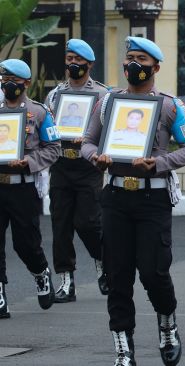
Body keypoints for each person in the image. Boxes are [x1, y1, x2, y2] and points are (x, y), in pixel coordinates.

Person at [82, 36, 185, 366]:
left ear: (156, 67)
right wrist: (97, 158)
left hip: (153, 197)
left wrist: (159, 163)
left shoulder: (170, 105)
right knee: (118, 277)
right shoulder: (108, 103)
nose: (133, 65)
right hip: (116, 196)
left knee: (153, 272)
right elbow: (88, 143)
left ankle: (167, 326)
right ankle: (123, 347)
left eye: (141, 60)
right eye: (130, 58)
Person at [45, 39, 110, 303]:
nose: (73, 63)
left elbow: (109, 131)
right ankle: (66, 281)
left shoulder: (103, 96)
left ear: (90, 64)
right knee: (60, 224)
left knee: (88, 221)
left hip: (88, 166)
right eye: (70, 58)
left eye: (78, 60)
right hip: (61, 164)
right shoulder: (55, 95)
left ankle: (103, 261)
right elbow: (47, 130)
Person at [0, 59, 61, 319]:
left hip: (23, 187)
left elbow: (54, 148)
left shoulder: (39, 112)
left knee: (25, 244)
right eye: (3, 78)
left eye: (12, 79)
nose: (7, 83)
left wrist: (29, 162)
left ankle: (40, 272)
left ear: (25, 82)